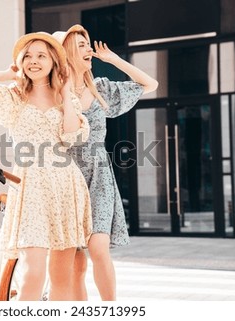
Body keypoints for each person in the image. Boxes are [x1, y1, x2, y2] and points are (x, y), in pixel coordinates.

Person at [0, 32, 92, 301]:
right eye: (28, 56)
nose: (33, 61)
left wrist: (66, 91)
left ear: (53, 62)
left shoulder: (65, 100)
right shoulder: (14, 96)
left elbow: (72, 136)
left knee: (62, 277)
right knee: (31, 271)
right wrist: (7, 73)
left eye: (41, 56)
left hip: (64, 184)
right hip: (29, 185)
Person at [52, 25, 159, 301]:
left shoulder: (101, 88)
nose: (89, 49)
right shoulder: (54, 94)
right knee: (76, 261)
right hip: (66, 175)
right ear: (66, 54)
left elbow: (150, 85)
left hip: (98, 175)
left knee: (99, 248)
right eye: (81, 45)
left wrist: (114, 59)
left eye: (87, 44)